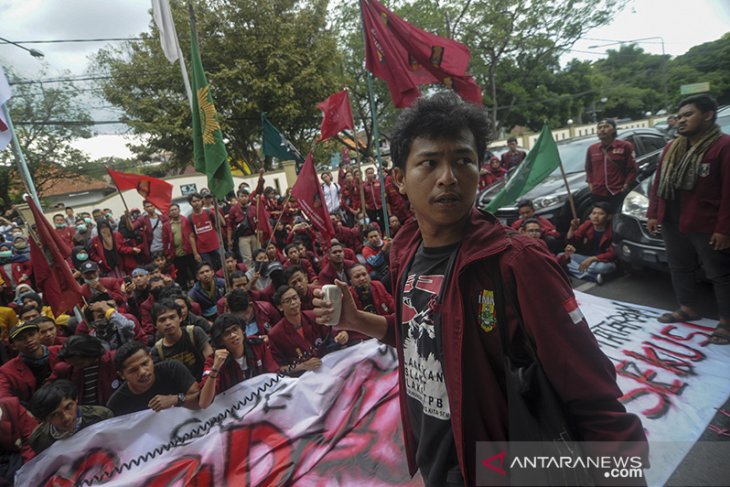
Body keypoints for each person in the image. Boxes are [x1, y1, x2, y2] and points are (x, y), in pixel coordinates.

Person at [313, 92, 646, 486]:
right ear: (399, 178)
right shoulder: (406, 248)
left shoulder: (517, 262)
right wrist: (355, 320)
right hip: (434, 456)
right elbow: (421, 332)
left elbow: (592, 390)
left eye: (463, 161)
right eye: (430, 163)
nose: (448, 177)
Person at [647, 94, 730, 340]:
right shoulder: (671, 147)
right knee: (679, 266)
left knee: (720, 273)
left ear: (708, 116)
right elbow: (658, 183)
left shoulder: (723, 146)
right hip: (672, 220)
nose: (681, 121)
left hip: (705, 222)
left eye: (688, 115)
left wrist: (724, 229)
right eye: (679, 116)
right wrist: (653, 213)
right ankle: (687, 308)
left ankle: (726, 321)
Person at [198, 314, 278, 409]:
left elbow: (274, 375)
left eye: (235, 329)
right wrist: (215, 368)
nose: (233, 335)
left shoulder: (257, 345)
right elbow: (203, 403)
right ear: (220, 340)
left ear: (243, 330)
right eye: (227, 333)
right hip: (234, 409)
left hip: (264, 400)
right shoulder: (213, 360)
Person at [106, 341, 200, 416]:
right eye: (133, 370)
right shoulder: (117, 404)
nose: (142, 372)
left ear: (151, 358)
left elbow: (201, 400)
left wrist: (176, 400)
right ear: (122, 375)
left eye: (145, 364)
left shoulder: (172, 369)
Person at [268, 285, 347, 374]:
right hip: (303, 377)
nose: (293, 303)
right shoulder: (275, 334)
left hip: (328, 366)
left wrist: (341, 335)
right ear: (280, 307)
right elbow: (280, 368)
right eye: (288, 301)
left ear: (300, 300)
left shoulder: (314, 317)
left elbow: (332, 334)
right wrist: (303, 366)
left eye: (295, 298)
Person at [28, 379, 113, 454]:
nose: (66, 417)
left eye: (68, 407)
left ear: (76, 399)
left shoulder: (101, 417)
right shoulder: (39, 441)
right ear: (45, 419)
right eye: (55, 415)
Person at [0, 322, 64, 405]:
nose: (29, 340)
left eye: (31, 334)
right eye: (21, 338)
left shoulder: (61, 351)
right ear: (13, 346)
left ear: (39, 335)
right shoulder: (7, 371)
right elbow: (3, 397)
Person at [150, 300, 213, 381]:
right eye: (162, 320)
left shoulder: (195, 333)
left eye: (172, 317)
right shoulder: (157, 351)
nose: (168, 323)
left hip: (206, 382)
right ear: (155, 325)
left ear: (180, 318)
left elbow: (211, 361)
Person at [585, 118, 638, 211]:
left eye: (606, 127)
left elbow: (632, 169)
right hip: (598, 193)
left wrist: (625, 186)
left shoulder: (625, 146)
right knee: (600, 220)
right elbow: (588, 169)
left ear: (613, 129)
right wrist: (591, 185)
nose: (602, 130)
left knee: (618, 219)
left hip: (617, 192)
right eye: (599, 128)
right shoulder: (592, 149)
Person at [561, 202, 618, 284]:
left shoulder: (613, 230)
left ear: (608, 217)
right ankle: (592, 277)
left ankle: (580, 272)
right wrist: (572, 228)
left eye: (601, 214)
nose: (596, 216)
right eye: (594, 213)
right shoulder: (587, 225)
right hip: (587, 258)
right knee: (562, 257)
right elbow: (572, 242)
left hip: (603, 261)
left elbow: (613, 254)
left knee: (601, 268)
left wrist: (593, 259)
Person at [56, 335, 118, 406]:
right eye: (71, 363)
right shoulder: (64, 369)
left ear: (91, 355)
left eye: (79, 363)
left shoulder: (112, 360)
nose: (76, 367)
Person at [188, 192, 224, 271]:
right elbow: (191, 236)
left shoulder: (209, 212)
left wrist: (216, 209)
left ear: (201, 201)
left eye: (198, 200)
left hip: (216, 246)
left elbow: (222, 223)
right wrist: (195, 254)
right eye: (194, 201)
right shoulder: (190, 218)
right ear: (190, 203)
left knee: (223, 267)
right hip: (203, 250)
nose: (196, 203)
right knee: (209, 270)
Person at [227, 188, 258, 268]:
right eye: (242, 196)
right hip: (242, 237)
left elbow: (258, 222)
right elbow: (229, 225)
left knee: (257, 255)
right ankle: (250, 276)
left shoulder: (253, 208)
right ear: (238, 198)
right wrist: (229, 239)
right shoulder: (233, 209)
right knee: (247, 258)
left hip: (254, 235)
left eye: (246, 196)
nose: (244, 198)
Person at [167, 203, 196, 289]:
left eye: (175, 209)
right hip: (177, 254)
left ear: (179, 210)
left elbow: (192, 235)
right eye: (171, 210)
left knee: (194, 271)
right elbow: (165, 240)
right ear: (169, 213)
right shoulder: (167, 225)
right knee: (181, 275)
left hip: (189, 252)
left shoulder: (186, 221)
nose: (174, 211)